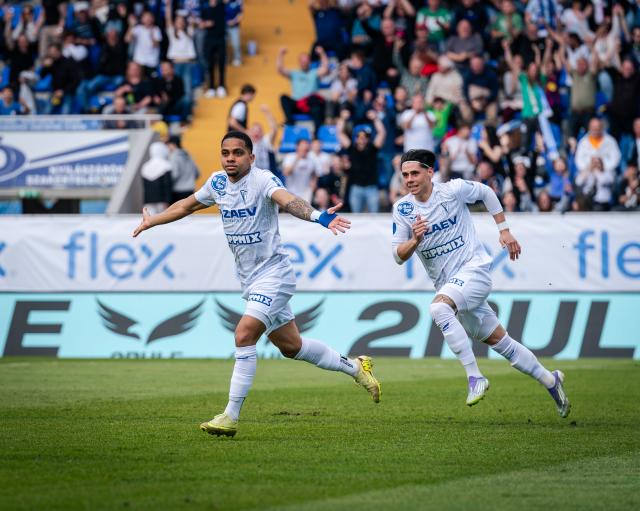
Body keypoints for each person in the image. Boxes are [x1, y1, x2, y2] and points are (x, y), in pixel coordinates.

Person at [132, 131, 381, 437]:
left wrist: (318, 216)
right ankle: (356, 368)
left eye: (238, 153)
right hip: (250, 280)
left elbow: (288, 200)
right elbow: (186, 206)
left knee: (244, 334)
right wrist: (153, 220)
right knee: (292, 347)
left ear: (251, 157)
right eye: (225, 153)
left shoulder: (262, 180)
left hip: (274, 274)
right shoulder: (217, 183)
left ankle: (230, 416)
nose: (230, 159)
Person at [390, 149, 570, 417]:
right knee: (502, 342)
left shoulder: (452, 191)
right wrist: (415, 240)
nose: (409, 180)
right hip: (450, 285)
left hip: (474, 270)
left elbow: (486, 192)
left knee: (439, 309)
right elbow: (398, 256)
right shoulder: (402, 209)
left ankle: (475, 377)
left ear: (430, 172)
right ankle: (550, 380)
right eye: (405, 175)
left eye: (415, 173)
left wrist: (504, 230)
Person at [168, 135, 200, 202]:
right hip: (190, 189)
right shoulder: (188, 155)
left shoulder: (174, 156)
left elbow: (175, 175)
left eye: (168, 144)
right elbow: (197, 173)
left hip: (178, 191)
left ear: (173, 144)